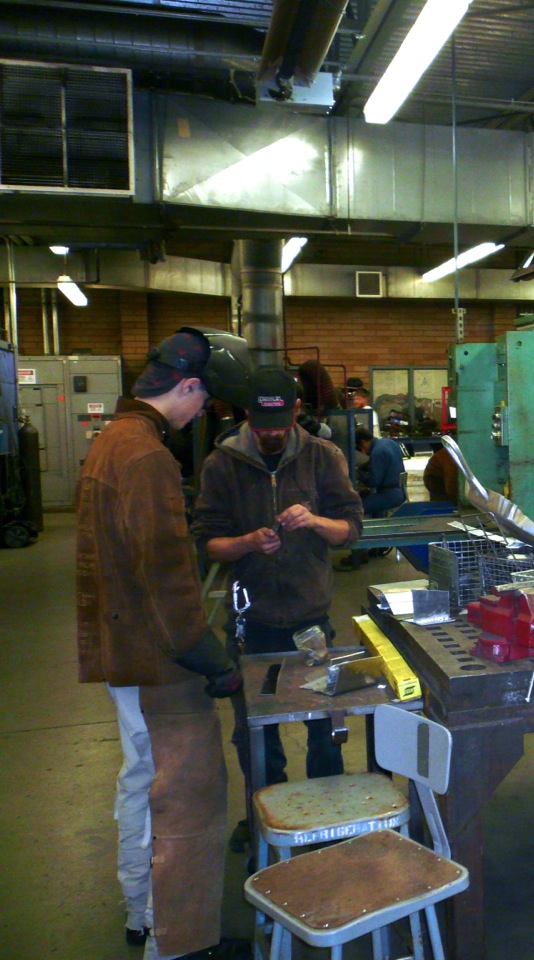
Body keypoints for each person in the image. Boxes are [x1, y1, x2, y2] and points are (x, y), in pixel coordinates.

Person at [77, 327, 250, 960]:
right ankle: (173, 942)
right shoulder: (147, 456)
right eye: (205, 401)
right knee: (179, 796)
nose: (204, 413)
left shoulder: (113, 440)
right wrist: (212, 659)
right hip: (153, 656)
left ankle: (141, 913)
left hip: (126, 647)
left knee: (139, 780)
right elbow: (165, 575)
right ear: (188, 385)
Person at [192, 366, 363, 796]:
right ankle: (265, 814)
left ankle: (327, 809)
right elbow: (208, 544)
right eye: (262, 426)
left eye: (281, 426)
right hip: (254, 623)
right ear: (246, 413)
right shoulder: (222, 464)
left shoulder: (324, 456)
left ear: (297, 410)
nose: (272, 436)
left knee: (324, 725)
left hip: (311, 620)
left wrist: (315, 520)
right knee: (257, 732)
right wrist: (247, 542)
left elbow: (351, 531)